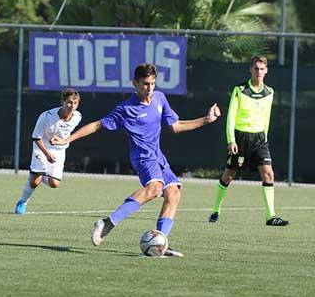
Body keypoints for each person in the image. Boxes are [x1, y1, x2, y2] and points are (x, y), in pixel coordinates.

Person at [51, 63, 221, 257]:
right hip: (142, 156)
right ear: (135, 83)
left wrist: (206, 120)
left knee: (173, 192)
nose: (150, 89)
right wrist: (67, 139)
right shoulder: (126, 108)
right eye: (146, 84)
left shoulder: (160, 98)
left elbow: (176, 126)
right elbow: (97, 125)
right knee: (156, 188)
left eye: (153, 84)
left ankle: (160, 243)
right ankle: (107, 223)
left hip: (158, 156)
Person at [208, 55, 289, 226]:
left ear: (266, 70)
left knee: (268, 173)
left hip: (260, 139)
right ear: (250, 69)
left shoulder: (270, 92)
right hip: (241, 138)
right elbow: (231, 117)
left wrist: (264, 137)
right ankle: (215, 210)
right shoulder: (240, 90)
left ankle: (271, 216)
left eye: (262, 69)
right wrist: (231, 140)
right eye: (256, 68)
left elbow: (266, 117)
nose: (258, 72)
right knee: (229, 175)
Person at [14, 88, 82, 214]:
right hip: (41, 147)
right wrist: (47, 153)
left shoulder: (77, 117)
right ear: (62, 102)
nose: (72, 106)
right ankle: (23, 201)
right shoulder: (46, 116)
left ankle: (35, 174)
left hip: (59, 150)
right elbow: (36, 138)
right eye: (69, 102)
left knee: (54, 183)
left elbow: (67, 135)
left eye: (75, 103)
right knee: (35, 182)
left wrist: (61, 140)